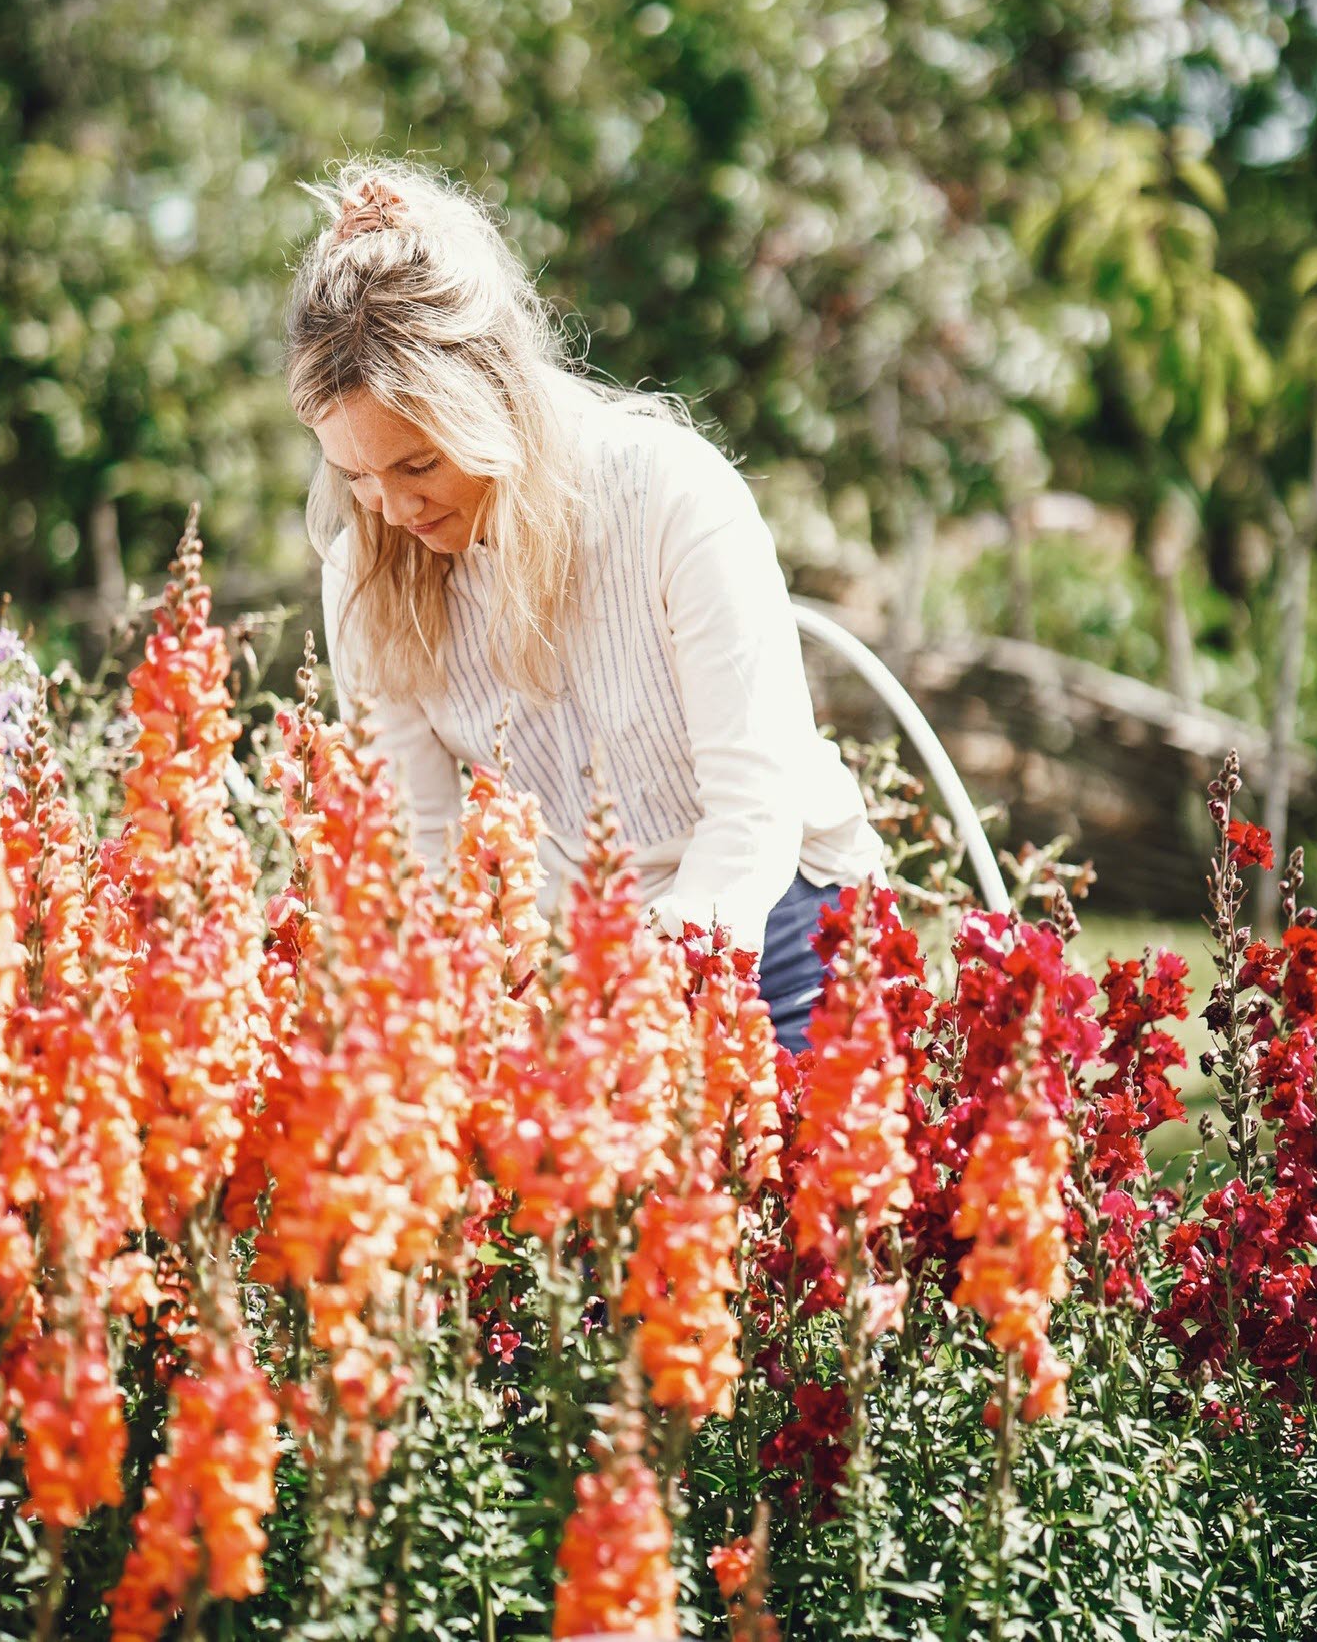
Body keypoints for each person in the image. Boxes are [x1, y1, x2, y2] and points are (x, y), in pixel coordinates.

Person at [283, 158, 889, 1054]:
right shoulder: (366, 569)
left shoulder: (670, 496)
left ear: (494, 399)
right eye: (357, 475)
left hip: (781, 924)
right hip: (580, 960)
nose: (394, 508)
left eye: (418, 465)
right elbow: (422, 841)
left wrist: (646, 999)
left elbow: (752, 812)